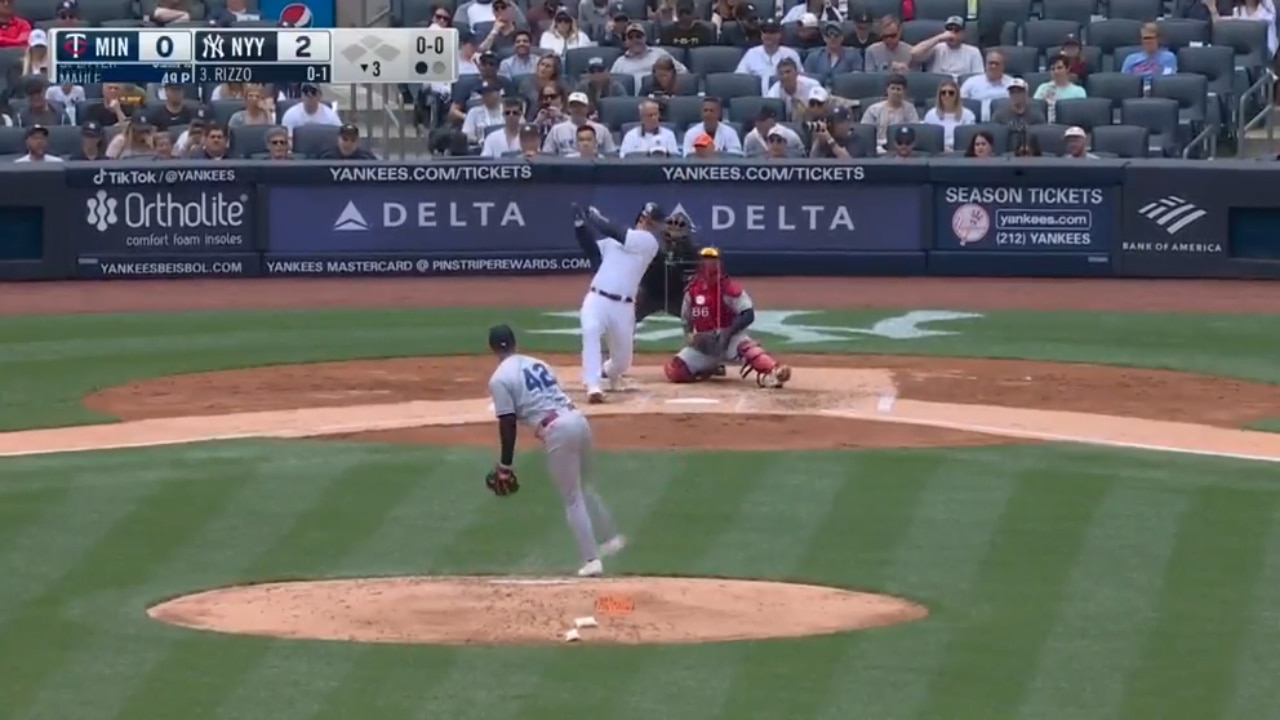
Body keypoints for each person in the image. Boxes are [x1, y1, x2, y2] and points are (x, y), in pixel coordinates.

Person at [483, 323, 623, 578]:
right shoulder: (539, 363)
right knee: (585, 486)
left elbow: (508, 423)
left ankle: (592, 560)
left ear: (492, 348)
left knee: (572, 498)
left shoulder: (499, 379)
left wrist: (505, 466)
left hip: (557, 430)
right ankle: (610, 539)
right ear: (515, 343)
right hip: (579, 421)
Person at [570, 202, 662, 402]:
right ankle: (593, 386)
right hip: (597, 299)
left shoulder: (649, 243)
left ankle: (608, 372)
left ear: (655, 225)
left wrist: (593, 216)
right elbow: (592, 251)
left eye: (650, 220)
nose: (645, 222)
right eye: (644, 217)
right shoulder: (613, 243)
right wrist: (580, 225)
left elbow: (616, 231)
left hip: (623, 307)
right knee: (591, 331)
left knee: (622, 361)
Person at [664, 246, 792, 388]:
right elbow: (686, 319)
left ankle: (774, 370)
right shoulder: (692, 290)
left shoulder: (729, 288)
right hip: (704, 343)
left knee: (747, 349)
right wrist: (689, 335)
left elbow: (748, 313)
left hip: (731, 338)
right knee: (676, 370)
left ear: (719, 264)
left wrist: (728, 332)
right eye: (705, 260)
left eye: (712, 260)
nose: (708, 264)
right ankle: (709, 368)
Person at [736, 19, 802, 94]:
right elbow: (739, 79)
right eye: (765, 32)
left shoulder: (791, 54)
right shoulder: (751, 53)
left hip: (783, 96)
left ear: (780, 34)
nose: (768, 36)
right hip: (758, 98)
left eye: (772, 32)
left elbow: (801, 78)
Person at [611, 23, 687, 84]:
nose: (635, 40)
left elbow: (683, 71)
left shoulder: (659, 53)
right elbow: (612, 84)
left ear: (645, 38)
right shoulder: (620, 63)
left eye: (638, 36)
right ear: (626, 43)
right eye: (631, 37)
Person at [861, 73, 919, 151]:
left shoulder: (910, 110)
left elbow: (915, 131)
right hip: (878, 148)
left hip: (902, 148)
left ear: (904, 91)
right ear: (887, 89)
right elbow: (865, 133)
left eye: (898, 89)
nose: (895, 92)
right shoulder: (873, 109)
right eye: (892, 88)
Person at [544, 91, 614, 154]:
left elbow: (611, 155)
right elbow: (547, 155)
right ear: (568, 108)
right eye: (574, 106)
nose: (577, 109)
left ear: (587, 108)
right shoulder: (556, 130)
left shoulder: (601, 130)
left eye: (581, 106)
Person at [912, 16, 982, 77]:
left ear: (963, 33)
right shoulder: (936, 47)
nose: (952, 33)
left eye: (956, 30)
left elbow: (978, 78)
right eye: (949, 29)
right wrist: (938, 38)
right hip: (938, 87)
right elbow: (914, 53)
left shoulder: (973, 52)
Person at [1208, 0, 1277, 59]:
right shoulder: (1238, 11)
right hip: (1241, 58)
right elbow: (1221, 25)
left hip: (1264, 56)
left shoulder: (1267, 11)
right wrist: (1212, 8)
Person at [960, 48, 1013, 121]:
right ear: (985, 64)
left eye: (996, 64)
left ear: (1003, 66)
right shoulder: (971, 82)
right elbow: (959, 104)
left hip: (1002, 124)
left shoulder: (1012, 84)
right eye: (990, 63)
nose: (993, 66)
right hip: (975, 123)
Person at [923, 77, 974, 152]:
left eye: (951, 93)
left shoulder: (968, 115)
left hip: (960, 153)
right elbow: (927, 139)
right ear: (939, 96)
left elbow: (969, 139)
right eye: (943, 92)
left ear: (957, 95)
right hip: (937, 153)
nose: (947, 95)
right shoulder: (930, 115)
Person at [1034, 55, 1087, 123]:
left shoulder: (1079, 91)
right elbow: (1035, 110)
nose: (1056, 72)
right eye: (1053, 69)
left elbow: (1081, 115)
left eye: (1059, 68)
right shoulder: (1043, 88)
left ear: (1068, 69)